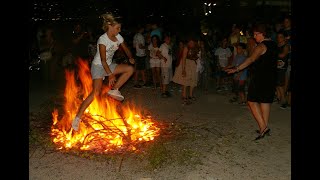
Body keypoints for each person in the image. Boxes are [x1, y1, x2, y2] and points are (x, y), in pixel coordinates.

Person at [71, 13, 135, 131]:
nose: (119, 30)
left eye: (119, 28)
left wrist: (130, 57)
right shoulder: (102, 39)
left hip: (109, 64)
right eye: (117, 28)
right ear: (110, 26)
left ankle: (114, 89)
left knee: (130, 69)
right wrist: (110, 75)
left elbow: (126, 49)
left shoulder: (118, 37)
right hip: (98, 66)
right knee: (95, 93)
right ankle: (77, 118)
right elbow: (103, 60)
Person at [225, 23, 278, 141]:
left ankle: (263, 128)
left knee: (251, 101)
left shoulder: (261, 46)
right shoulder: (274, 44)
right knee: (265, 102)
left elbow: (251, 59)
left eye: (256, 34)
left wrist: (236, 69)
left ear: (262, 33)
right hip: (271, 78)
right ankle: (264, 128)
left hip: (260, 78)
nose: (254, 36)